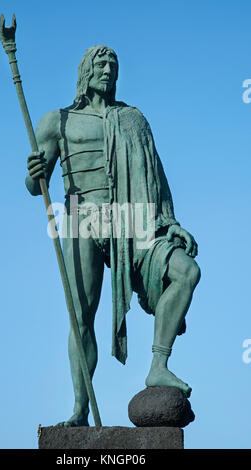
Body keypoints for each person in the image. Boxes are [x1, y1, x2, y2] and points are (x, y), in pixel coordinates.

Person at [25, 46, 201, 427]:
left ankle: (158, 365)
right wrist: (34, 171)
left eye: (113, 65)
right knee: (81, 317)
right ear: (85, 72)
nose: (108, 70)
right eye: (101, 64)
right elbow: (35, 184)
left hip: (132, 220)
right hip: (82, 220)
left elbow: (156, 174)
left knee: (186, 272)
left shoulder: (132, 119)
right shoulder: (59, 121)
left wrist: (170, 221)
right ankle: (80, 410)